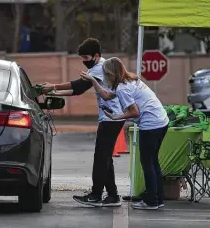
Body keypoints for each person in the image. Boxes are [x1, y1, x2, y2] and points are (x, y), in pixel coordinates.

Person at [41, 38, 125, 207]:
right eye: (82, 58)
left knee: (101, 157)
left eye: (86, 57)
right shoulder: (98, 67)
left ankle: (95, 195)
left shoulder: (101, 67)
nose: (84, 61)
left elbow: (78, 86)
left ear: (96, 55)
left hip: (111, 118)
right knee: (105, 157)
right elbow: (78, 90)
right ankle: (113, 195)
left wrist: (53, 87)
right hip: (112, 118)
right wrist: (55, 93)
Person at [80, 57, 169, 210]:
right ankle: (157, 197)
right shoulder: (129, 80)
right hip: (161, 121)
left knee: (147, 163)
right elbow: (106, 95)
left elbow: (134, 112)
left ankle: (151, 201)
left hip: (151, 125)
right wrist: (92, 80)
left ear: (110, 74)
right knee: (153, 161)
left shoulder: (122, 88)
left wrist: (117, 116)